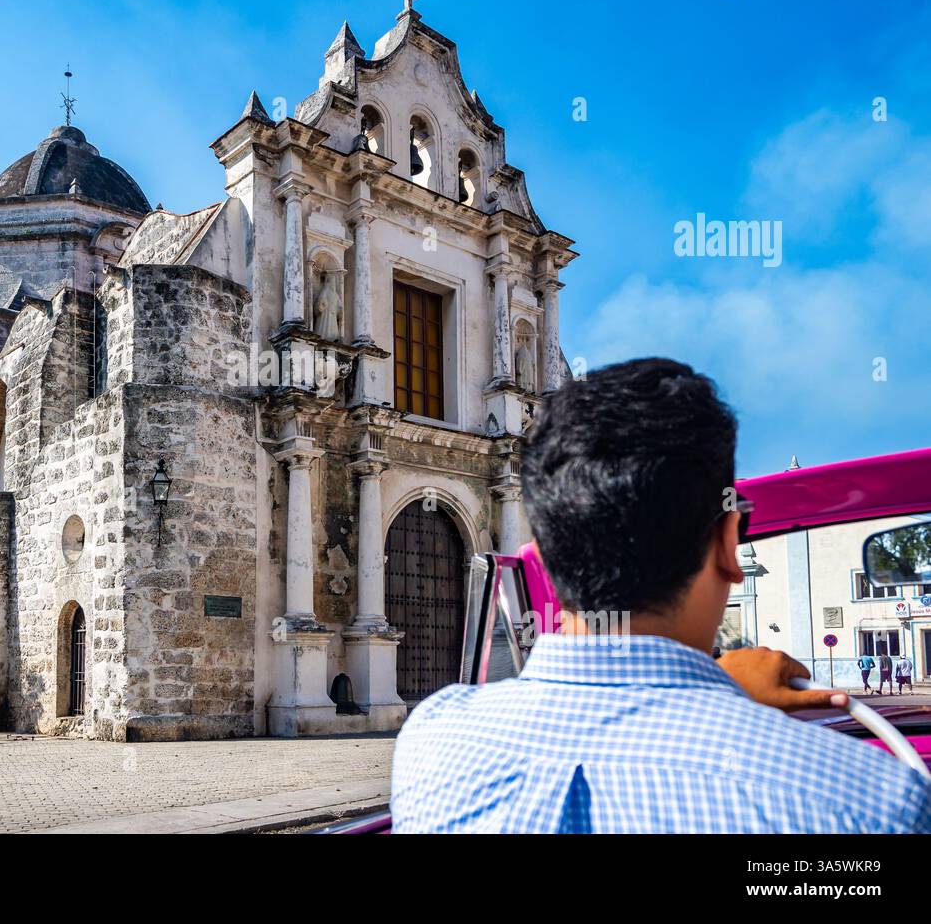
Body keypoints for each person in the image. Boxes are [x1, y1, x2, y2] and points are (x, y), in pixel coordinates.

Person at [391, 357, 931, 833]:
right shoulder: (875, 802)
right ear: (727, 544)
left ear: (546, 555)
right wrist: (720, 692)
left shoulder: (435, 738)